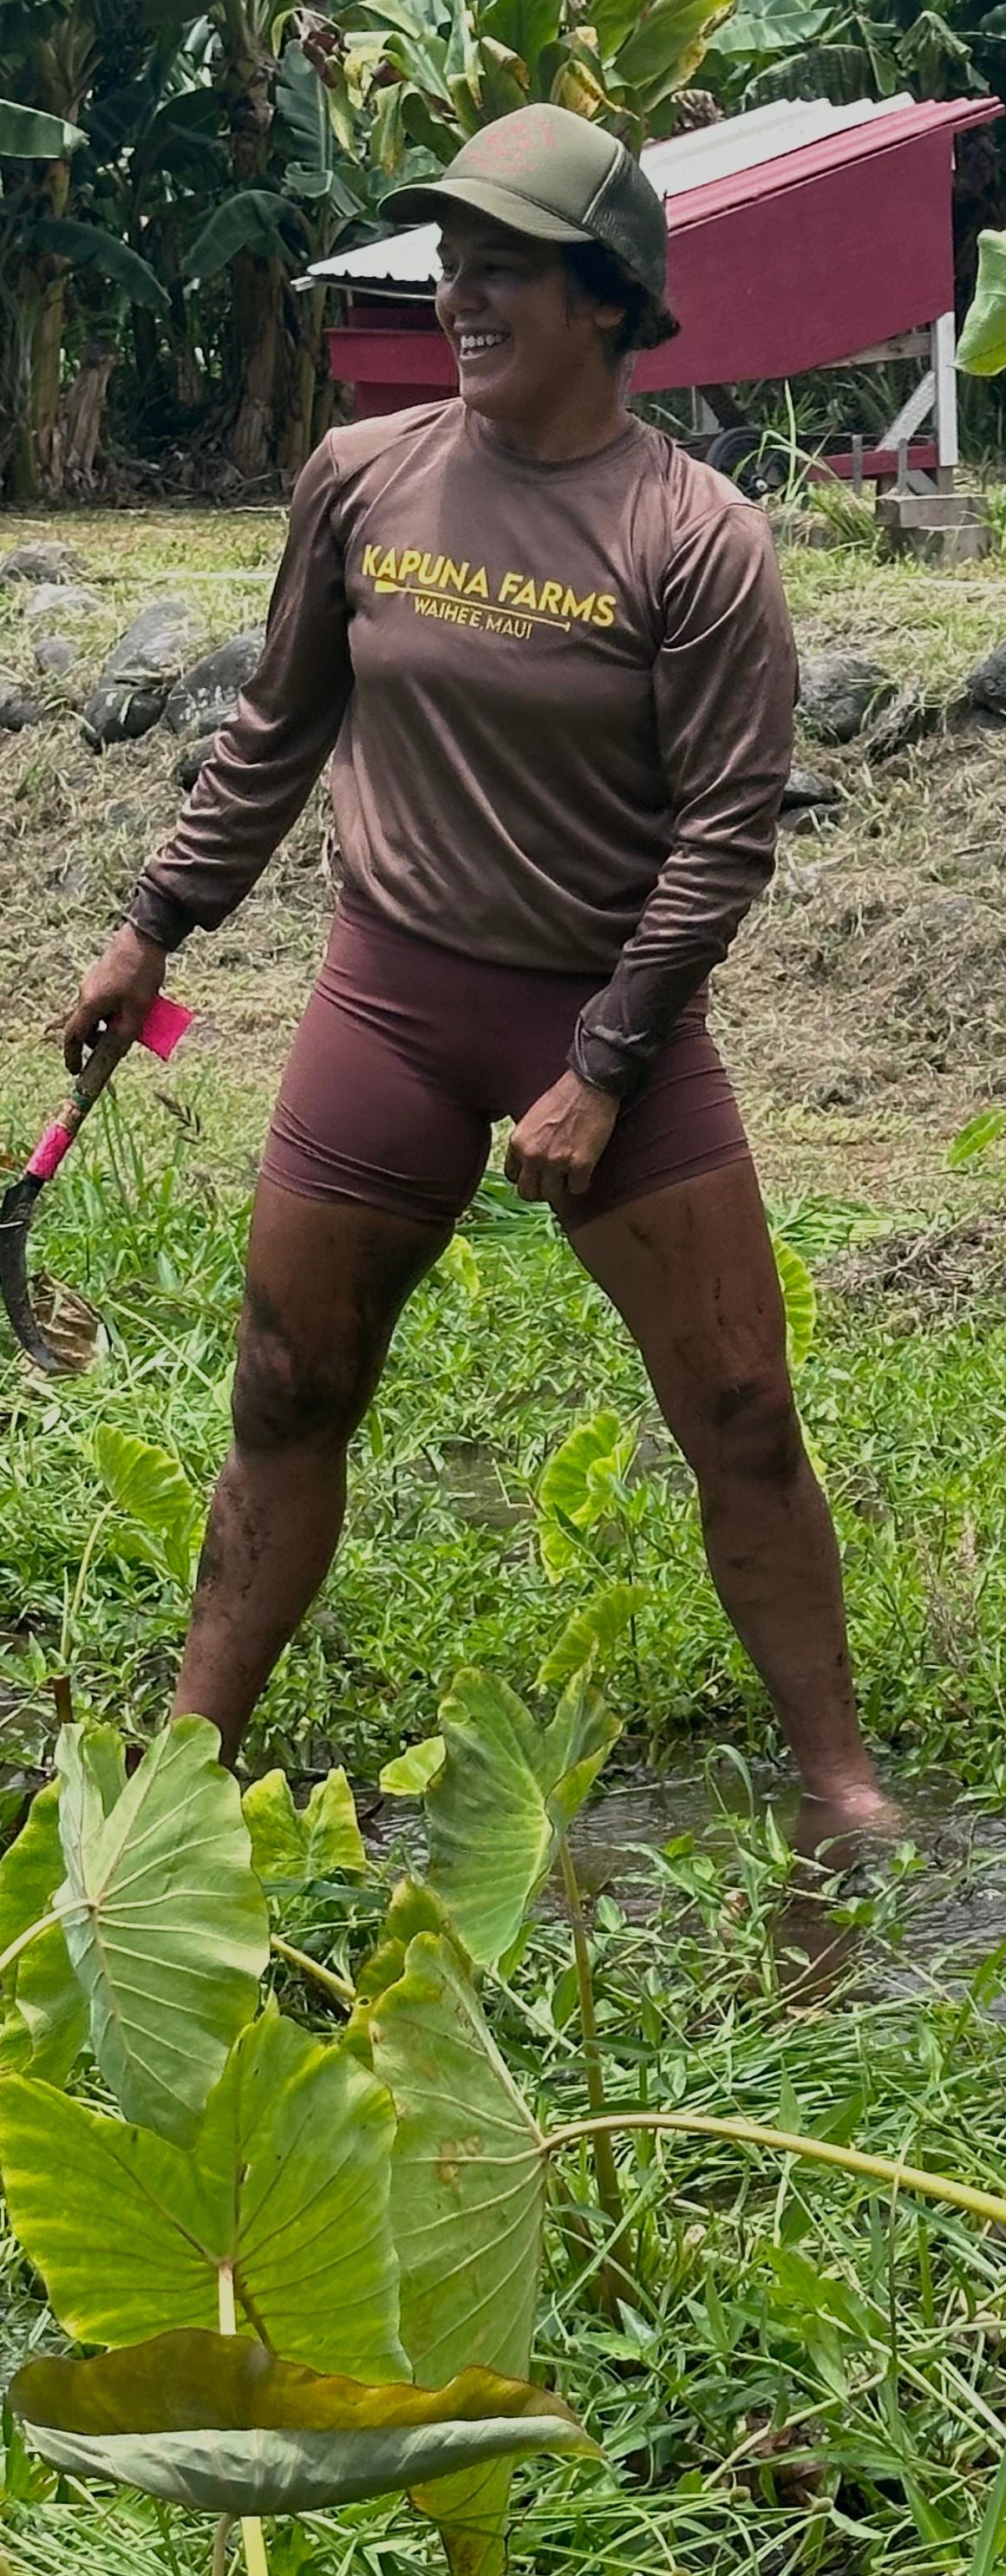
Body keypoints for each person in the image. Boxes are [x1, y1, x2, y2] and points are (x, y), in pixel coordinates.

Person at [60, 102, 898, 1858]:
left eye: (503, 266)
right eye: (453, 262)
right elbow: (277, 731)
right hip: (390, 1006)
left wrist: (600, 1063)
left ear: (604, 298)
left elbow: (724, 835)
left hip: (615, 1026)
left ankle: (841, 1784)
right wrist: (153, 933)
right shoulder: (362, 480)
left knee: (741, 1410)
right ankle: (177, 1778)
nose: (462, 294)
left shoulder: (696, 538)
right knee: (287, 1389)